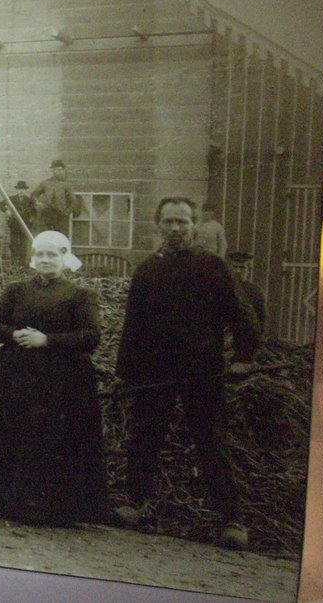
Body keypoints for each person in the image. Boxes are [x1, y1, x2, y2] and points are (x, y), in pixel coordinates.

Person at [114, 197, 259, 551]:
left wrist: (243, 358)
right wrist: (125, 372)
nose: (175, 228)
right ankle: (135, 504)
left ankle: (231, 518)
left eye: (182, 222)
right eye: (169, 222)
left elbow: (243, 316)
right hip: (155, 371)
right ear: (158, 225)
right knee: (144, 436)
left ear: (194, 225)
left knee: (211, 440)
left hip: (202, 371)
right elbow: (133, 326)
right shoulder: (147, 270)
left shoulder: (213, 267)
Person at [0, 231, 109, 526]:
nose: (46, 260)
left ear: (64, 258)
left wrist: (47, 340)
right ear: (33, 258)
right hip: (16, 375)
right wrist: (13, 334)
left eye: (53, 255)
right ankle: (4, 501)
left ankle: (51, 509)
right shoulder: (16, 291)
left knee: (51, 438)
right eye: (41, 255)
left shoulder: (80, 296)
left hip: (62, 381)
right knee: (12, 431)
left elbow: (91, 336)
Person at [31, 159, 80, 234]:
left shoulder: (66, 185)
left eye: (60, 170)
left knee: (60, 236)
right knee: (47, 235)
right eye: (55, 170)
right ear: (52, 171)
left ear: (63, 170)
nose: (58, 172)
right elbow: (34, 195)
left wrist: (67, 212)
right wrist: (38, 203)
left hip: (60, 215)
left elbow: (74, 201)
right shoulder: (46, 183)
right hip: (47, 214)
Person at [226, 251, 266, 339]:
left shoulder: (255, 291)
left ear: (248, 271)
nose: (238, 271)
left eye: (242, 267)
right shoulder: (223, 287)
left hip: (246, 334)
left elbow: (261, 316)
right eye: (235, 267)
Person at [0, 181, 35, 266]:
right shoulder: (11, 199)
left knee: (23, 244)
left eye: (23, 189)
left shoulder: (29, 201)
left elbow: (34, 212)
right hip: (14, 224)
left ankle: (22, 264)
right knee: (14, 243)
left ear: (25, 190)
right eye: (19, 189)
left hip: (25, 225)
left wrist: (31, 220)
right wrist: (6, 210)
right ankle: (14, 263)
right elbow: (0, 204)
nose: (21, 191)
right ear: (17, 190)